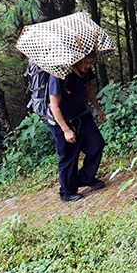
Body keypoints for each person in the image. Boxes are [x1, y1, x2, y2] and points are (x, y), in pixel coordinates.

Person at [48, 50, 107, 203]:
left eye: (91, 63)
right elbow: (54, 106)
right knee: (69, 156)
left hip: (82, 115)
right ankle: (67, 192)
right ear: (76, 60)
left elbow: (88, 88)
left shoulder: (84, 71)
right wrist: (66, 130)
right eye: (86, 62)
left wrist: (97, 108)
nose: (88, 66)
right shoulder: (58, 75)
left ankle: (86, 178)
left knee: (97, 144)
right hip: (62, 121)